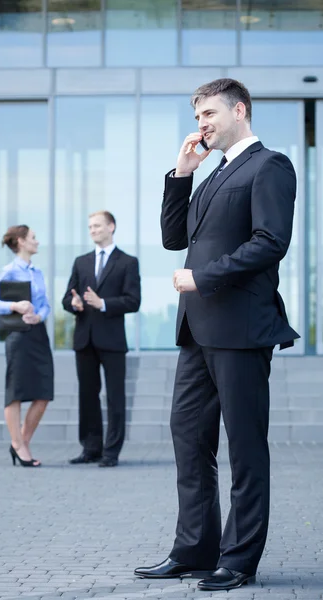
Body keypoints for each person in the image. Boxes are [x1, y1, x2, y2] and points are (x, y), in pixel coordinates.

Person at [134, 78, 299, 591]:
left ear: (240, 110)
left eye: (209, 114)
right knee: (189, 439)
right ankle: (194, 549)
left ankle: (239, 558)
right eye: (198, 116)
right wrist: (182, 175)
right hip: (197, 332)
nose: (202, 124)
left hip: (242, 330)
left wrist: (203, 277)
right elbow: (174, 238)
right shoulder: (212, 175)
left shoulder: (269, 165)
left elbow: (271, 242)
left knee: (245, 447)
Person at [62, 211, 141, 468]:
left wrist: (103, 303)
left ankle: (111, 451)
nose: (93, 230)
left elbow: (133, 301)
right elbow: (67, 298)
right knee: (88, 395)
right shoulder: (81, 262)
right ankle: (91, 448)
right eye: (90, 227)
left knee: (115, 397)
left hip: (113, 341)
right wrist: (74, 303)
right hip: (84, 339)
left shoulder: (128, 262)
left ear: (111, 226)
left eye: (97, 225)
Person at [0, 225, 54, 468]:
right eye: (33, 238)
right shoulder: (10, 271)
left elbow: (45, 304)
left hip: (38, 335)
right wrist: (15, 306)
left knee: (44, 393)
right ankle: (18, 445)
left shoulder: (37, 272)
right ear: (21, 242)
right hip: (18, 337)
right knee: (15, 392)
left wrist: (39, 315)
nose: (37, 241)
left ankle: (21, 442)